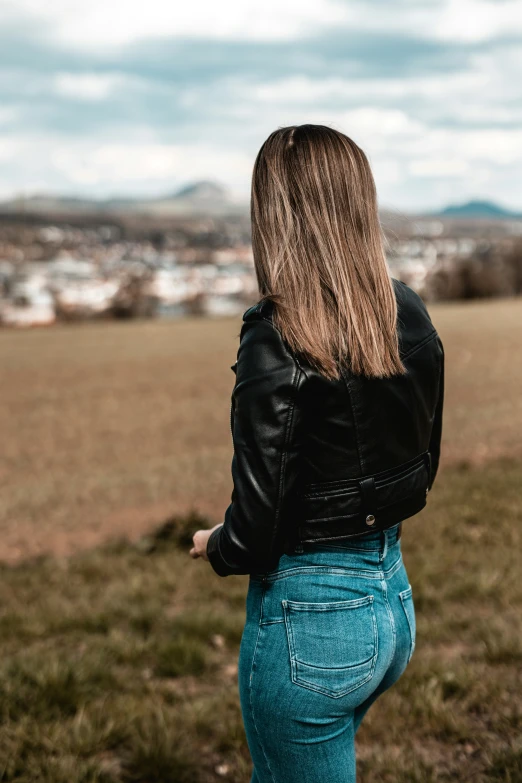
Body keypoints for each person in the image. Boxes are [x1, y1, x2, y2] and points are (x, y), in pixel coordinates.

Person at [189, 124, 444, 783]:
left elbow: (257, 526)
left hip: (314, 626)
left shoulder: (275, 336)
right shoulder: (406, 310)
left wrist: (215, 543)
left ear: (273, 214)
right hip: (393, 603)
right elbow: (423, 464)